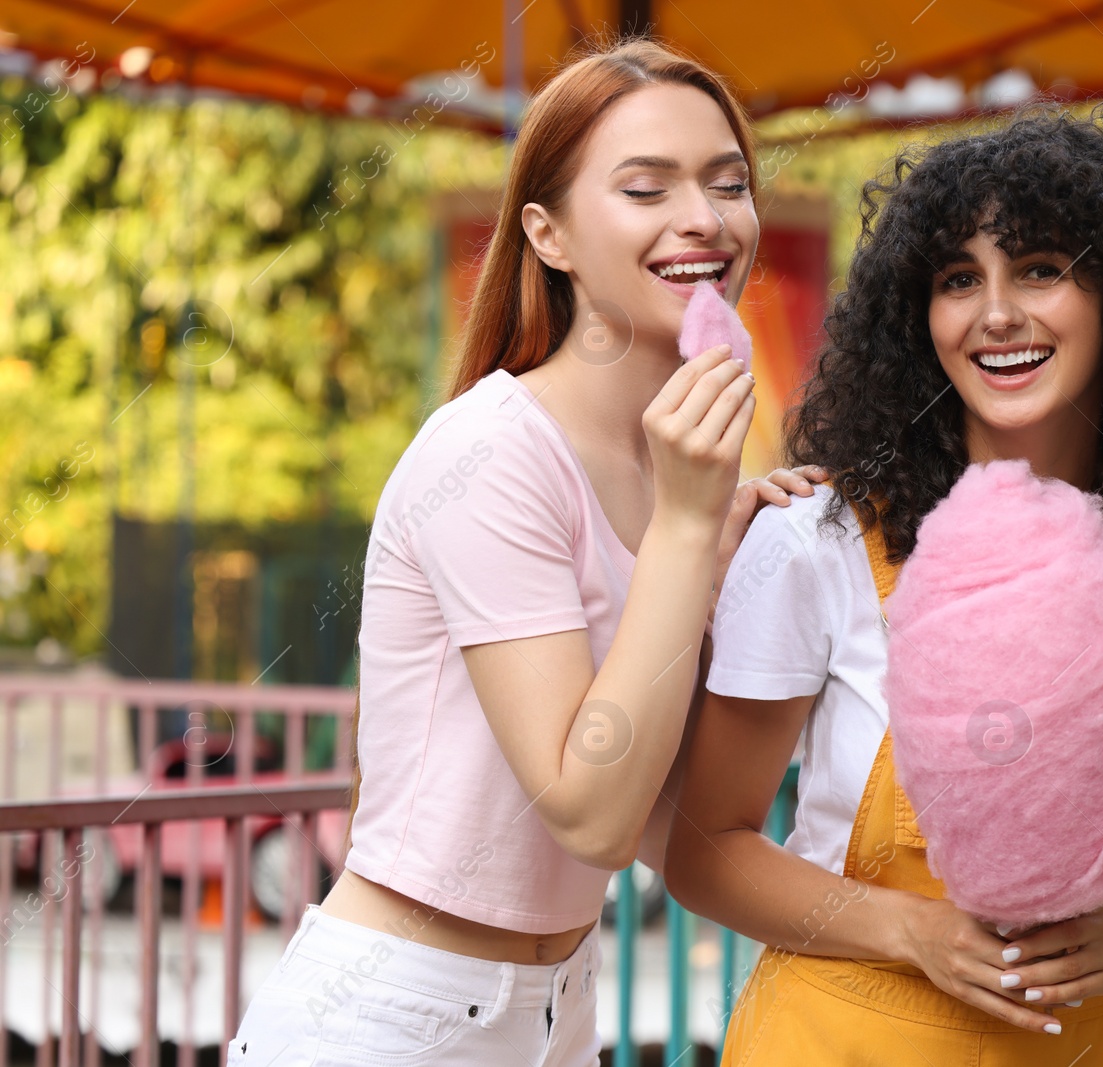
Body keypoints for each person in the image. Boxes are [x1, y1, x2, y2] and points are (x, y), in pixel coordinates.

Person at [227, 39, 824, 1067]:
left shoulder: (675, 468)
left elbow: (656, 815)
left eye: (728, 184)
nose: (705, 217)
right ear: (546, 233)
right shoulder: (491, 452)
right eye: (647, 187)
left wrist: (748, 589)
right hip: (393, 1015)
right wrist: (687, 532)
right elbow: (588, 810)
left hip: (557, 1006)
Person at [664, 103, 1103, 1064]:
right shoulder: (821, 542)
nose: (996, 312)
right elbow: (706, 851)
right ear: (920, 318)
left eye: (1039, 269)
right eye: (960, 279)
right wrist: (910, 930)